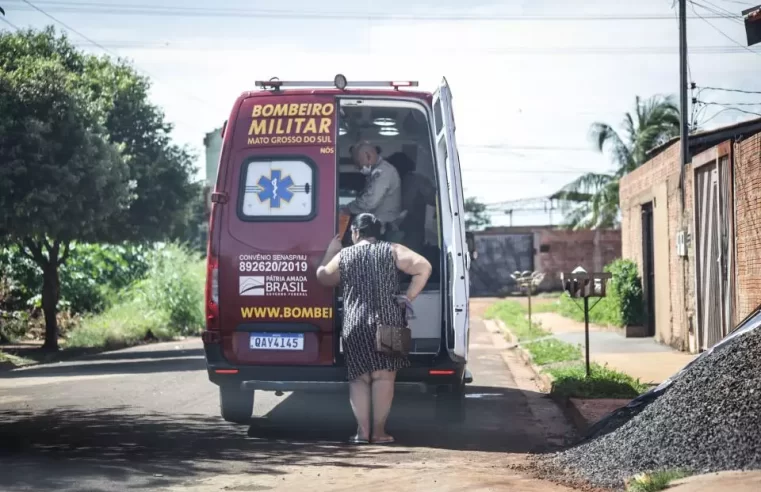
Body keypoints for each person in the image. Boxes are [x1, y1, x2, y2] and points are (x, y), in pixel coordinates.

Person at [315, 213, 433, 444]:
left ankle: (362, 432)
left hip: (355, 323)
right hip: (390, 320)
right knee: (384, 379)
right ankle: (379, 433)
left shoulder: (344, 254)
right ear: (378, 232)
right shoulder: (393, 249)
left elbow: (323, 278)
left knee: (359, 379)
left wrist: (331, 250)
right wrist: (408, 296)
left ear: (355, 232)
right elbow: (424, 267)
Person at [341, 141, 403, 242]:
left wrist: (347, 209)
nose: (357, 167)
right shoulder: (375, 172)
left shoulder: (383, 172)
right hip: (378, 228)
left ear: (368, 156)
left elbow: (370, 202)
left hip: (384, 230)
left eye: (358, 162)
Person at [385, 152, 437, 253]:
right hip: (411, 238)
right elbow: (436, 199)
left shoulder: (414, 181)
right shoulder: (417, 181)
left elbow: (435, 199)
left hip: (402, 235)